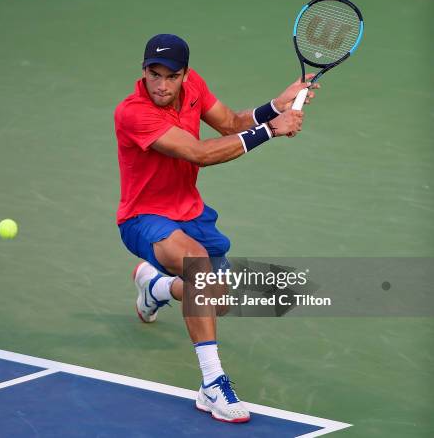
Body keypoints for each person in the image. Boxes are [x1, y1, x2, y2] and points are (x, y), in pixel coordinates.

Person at [114, 34, 317, 423]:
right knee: (197, 264)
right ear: (143, 71)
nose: (160, 84)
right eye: (152, 74)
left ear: (184, 75)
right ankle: (212, 385)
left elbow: (232, 124)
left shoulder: (195, 88)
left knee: (213, 298)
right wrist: (273, 129)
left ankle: (155, 287)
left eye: (170, 76)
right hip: (143, 217)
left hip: (189, 211)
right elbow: (199, 153)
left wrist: (277, 105)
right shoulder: (133, 112)